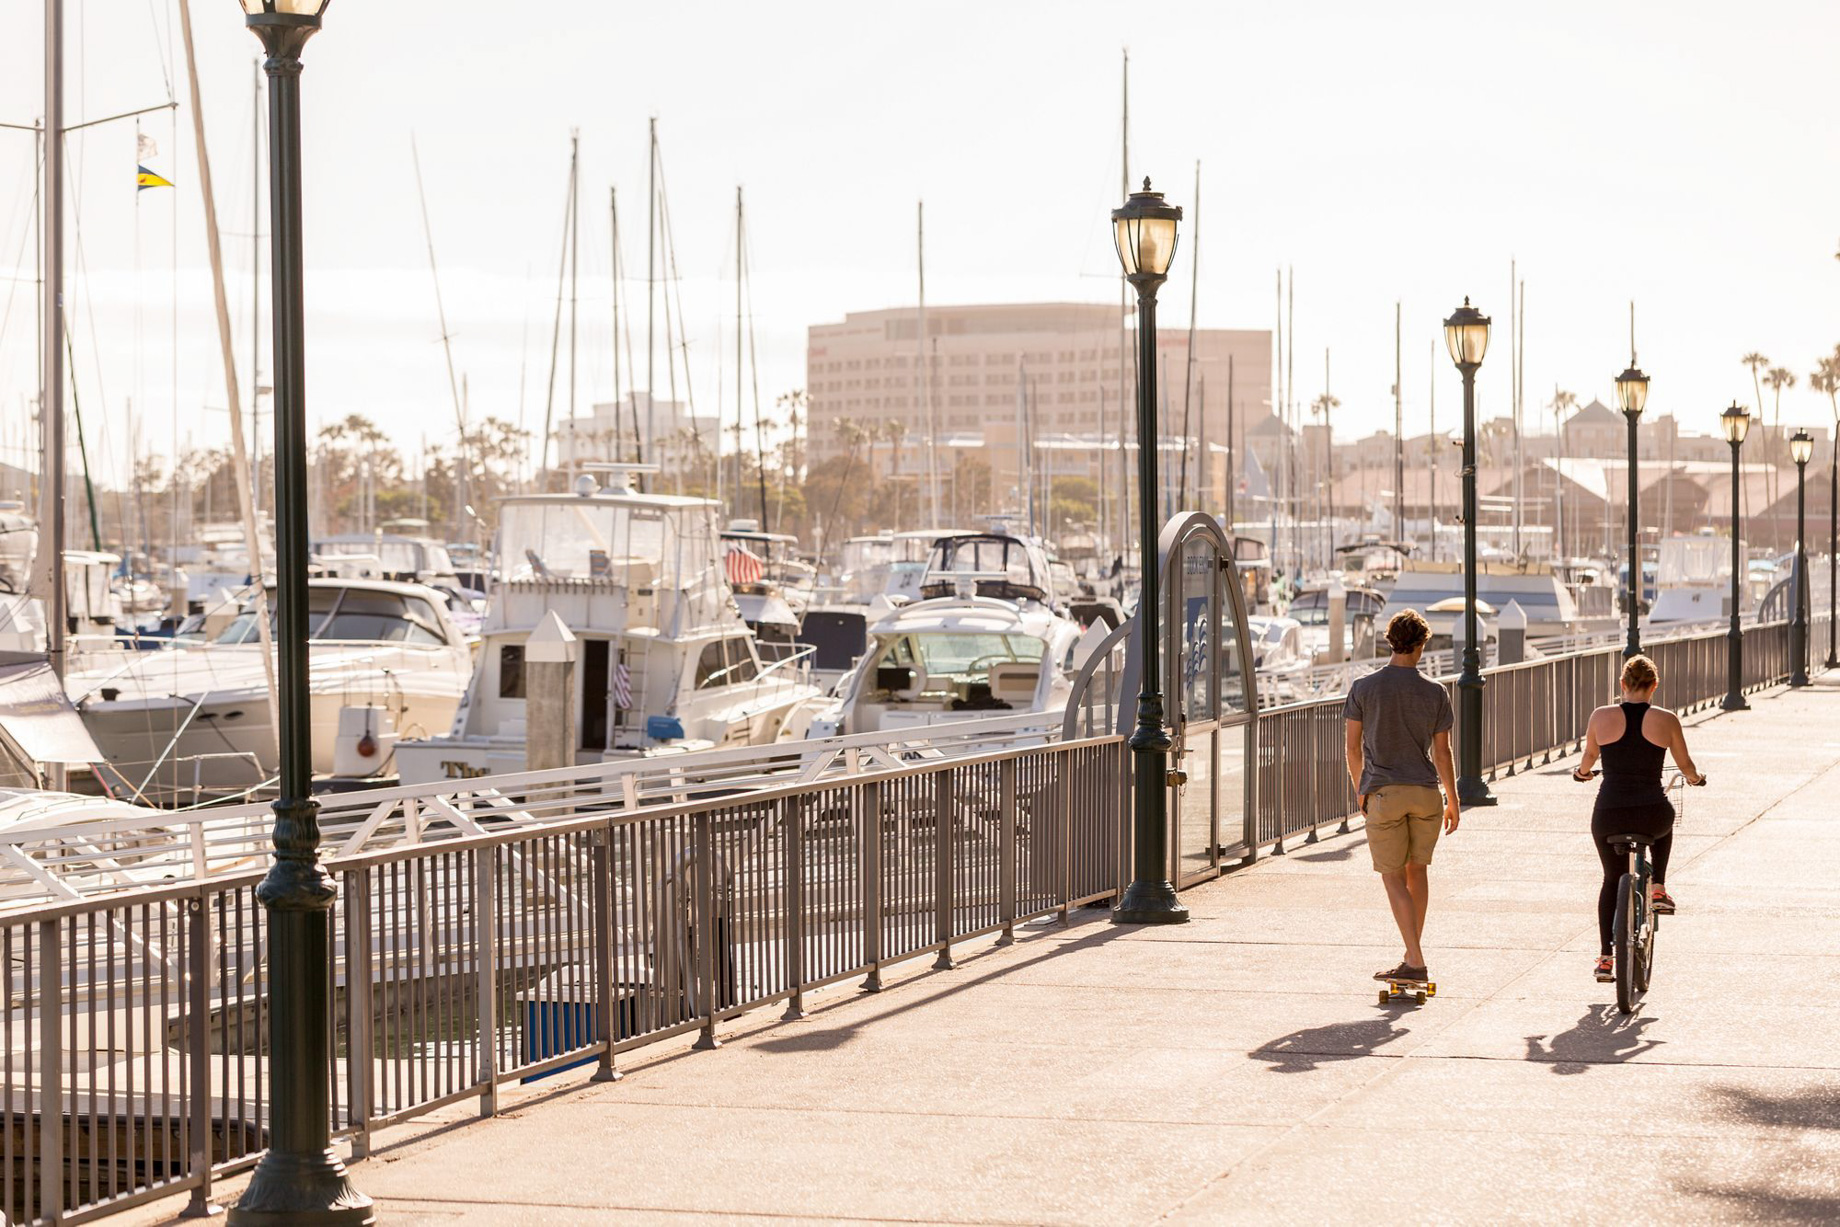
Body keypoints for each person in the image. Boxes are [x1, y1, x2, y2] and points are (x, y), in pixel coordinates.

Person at [1343, 609, 1461, 987]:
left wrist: (1362, 789)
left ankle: (1415, 959)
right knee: (1418, 872)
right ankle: (1413, 955)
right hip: (1426, 794)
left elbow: (1352, 749)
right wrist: (1453, 800)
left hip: (1384, 793)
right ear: (1422, 645)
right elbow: (1443, 753)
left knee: (1393, 878)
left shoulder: (1364, 688)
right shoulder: (1435, 691)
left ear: (1389, 641)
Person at [1573, 654, 1704, 982]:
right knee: (1667, 818)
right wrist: (1696, 778)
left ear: (1622, 684)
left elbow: (1588, 758)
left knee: (1610, 880)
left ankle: (1605, 957)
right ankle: (1658, 886)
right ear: (1654, 686)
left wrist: (1582, 774)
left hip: (1608, 815)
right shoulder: (1666, 719)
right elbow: (1686, 765)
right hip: (1650, 812)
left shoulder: (1600, 716)